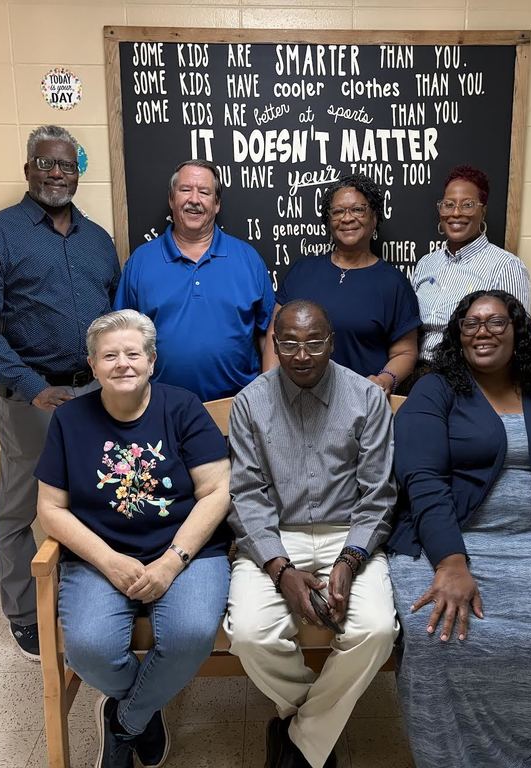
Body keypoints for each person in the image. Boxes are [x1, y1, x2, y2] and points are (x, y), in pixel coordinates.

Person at [387, 289, 531, 768]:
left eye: (496, 322)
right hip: (448, 541)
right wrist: (452, 562)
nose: (483, 331)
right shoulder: (433, 391)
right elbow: (423, 480)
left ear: (517, 331)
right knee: (439, 636)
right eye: (471, 323)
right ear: (457, 334)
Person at [35, 309, 232, 768]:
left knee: (190, 633)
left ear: (152, 360)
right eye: (109, 356)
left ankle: (125, 719)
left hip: (186, 551)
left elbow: (218, 491)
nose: (122, 363)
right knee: (89, 648)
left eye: (132, 353)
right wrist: (109, 560)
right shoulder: (69, 421)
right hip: (98, 556)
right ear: (93, 363)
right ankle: (146, 707)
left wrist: (171, 562)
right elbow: (50, 509)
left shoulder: (183, 408)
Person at [0, 124, 120, 659]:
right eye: (46, 163)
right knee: (20, 506)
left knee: (100, 497)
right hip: (32, 399)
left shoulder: (98, 240)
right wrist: (31, 385)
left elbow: (116, 317)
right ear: (28, 169)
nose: (56, 173)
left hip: (96, 394)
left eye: (67, 165)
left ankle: (92, 597)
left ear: (78, 172)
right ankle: (25, 613)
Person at [224, 300, 399, 768]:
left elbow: (378, 493)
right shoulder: (250, 402)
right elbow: (247, 495)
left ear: (332, 342)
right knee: (249, 634)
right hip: (274, 537)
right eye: (290, 343)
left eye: (314, 342)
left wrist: (350, 559)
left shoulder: (365, 398)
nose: (302, 355)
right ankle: (313, 723)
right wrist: (281, 571)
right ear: (275, 343)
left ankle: (299, 738)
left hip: (352, 534)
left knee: (377, 629)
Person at [114, 159, 275, 401]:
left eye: (205, 192)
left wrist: (267, 398)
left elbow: (269, 333)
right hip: (160, 407)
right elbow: (123, 336)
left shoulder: (248, 259)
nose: (194, 200)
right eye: (185, 190)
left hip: (238, 408)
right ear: (171, 199)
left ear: (217, 204)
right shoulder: (141, 262)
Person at [266, 174, 420, 395]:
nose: (347, 218)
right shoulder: (301, 272)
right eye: (338, 211)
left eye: (358, 209)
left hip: (362, 406)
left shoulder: (393, 283)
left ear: (374, 218)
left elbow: (405, 352)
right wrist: (270, 392)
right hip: (297, 404)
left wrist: (385, 379)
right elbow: (276, 335)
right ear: (328, 221)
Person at [409, 165, 531, 388]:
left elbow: (518, 339)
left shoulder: (505, 266)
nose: (456, 213)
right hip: (417, 377)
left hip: (470, 381)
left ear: (482, 211)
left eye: (467, 205)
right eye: (448, 204)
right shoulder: (426, 264)